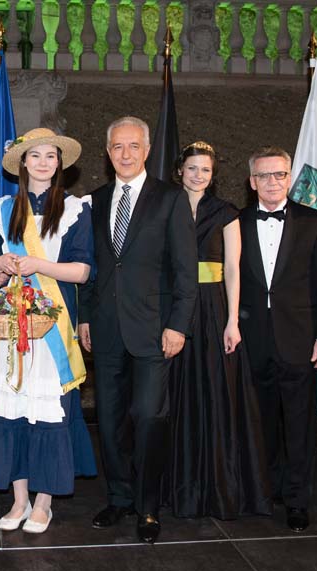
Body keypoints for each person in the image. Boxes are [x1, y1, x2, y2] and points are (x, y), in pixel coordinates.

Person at [0, 128, 97, 534]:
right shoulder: (2, 208)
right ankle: (19, 499)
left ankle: (44, 502)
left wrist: (39, 265)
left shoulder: (75, 209)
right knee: (14, 410)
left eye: (50, 156)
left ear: (60, 163)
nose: (43, 162)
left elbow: (82, 270)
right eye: (35, 156)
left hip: (53, 326)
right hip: (11, 327)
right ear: (22, 163)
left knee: (48, 412)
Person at [78, 116, 197, 544]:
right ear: (107, 152)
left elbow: (186, 271)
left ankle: (147, 506)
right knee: (110, 420)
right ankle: (119, 497)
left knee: (148, 417)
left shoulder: (171, 198)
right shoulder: (94, 200)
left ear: (146, 151)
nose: (125, 154)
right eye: (117, 146)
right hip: (106, 330)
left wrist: (178, 325)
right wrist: (85, 317)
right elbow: (92, 267)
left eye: (133, 146)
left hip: (154, 331)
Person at [167, 141, 272, 520]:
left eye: (206, 170)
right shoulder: (164, 205)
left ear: (213, 176)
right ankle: (179, 489)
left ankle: (217, 488)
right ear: (180, 170)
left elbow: (232, 268)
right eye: (193, 168)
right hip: (173, 308)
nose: (198, 175)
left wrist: (232, 321)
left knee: (215, 393)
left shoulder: (226, 212)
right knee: (175, 396)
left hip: (213, 309)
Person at [237, 146, 317, 533]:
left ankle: (297, 500)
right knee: (260, 424)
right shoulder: (236, 221)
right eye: (264, 175)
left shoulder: (314, 221)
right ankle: (265, 492)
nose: (272, 182)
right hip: (252, 340)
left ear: (290, 178)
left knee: (299, 425)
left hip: (300, 339)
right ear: (252, 182)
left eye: (279, 174)